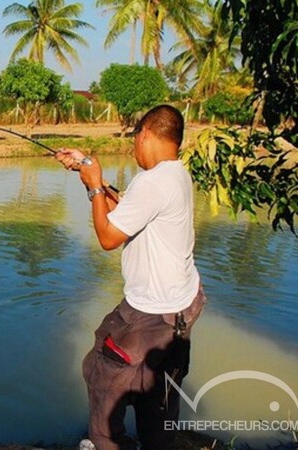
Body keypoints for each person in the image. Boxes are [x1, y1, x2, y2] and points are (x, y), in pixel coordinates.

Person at [56, 105, 206, 450]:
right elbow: (129, 210)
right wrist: (89, 170)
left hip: (148, 314)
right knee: (159, 400)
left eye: (134, 140)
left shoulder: (152, 181)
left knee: (101, 372)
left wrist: (94, 189)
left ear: (145, 135)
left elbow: (108, 238)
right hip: (179, 311)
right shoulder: (176, 174)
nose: (133, 148)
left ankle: (107, 442)